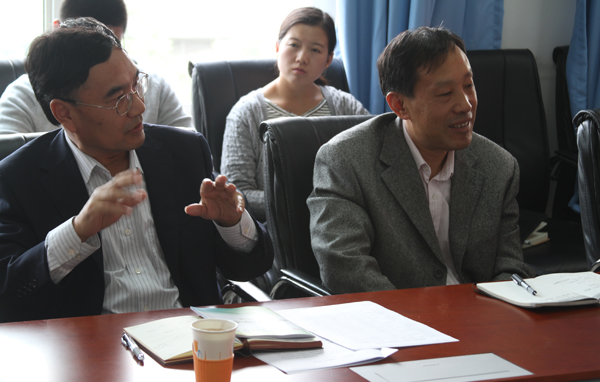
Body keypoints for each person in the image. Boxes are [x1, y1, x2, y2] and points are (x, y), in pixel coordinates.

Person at [0, 18, 273, 323]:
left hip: (190, 337)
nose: (139, 106)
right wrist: (78, 231)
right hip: (94, 344)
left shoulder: (184, 152)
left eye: (137, 84)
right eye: (119, 99)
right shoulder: (18, 178)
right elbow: (8, 294)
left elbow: (251, 268)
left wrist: (231, 222)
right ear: (64, 113)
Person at [307, 26, 534, 294]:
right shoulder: (346, 161)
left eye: (468, 85)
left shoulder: (499, 166)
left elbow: (510, 269)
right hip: (394, 315)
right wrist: (417, 317)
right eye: (445, 93)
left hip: (478, 312)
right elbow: (345, 269)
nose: (466, 105)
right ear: (400, 105)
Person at [221, 7, 370, 222]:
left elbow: (371, 171)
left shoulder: (346, 106)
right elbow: (238, 193)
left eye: (315, 50)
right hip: (274, 230)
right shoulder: (246, 112)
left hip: (341, 224)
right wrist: (310, 205)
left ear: (328, 60)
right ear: (277, 47)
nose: (302, 58)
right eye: (294, 45)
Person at [0, 0, 192, 135]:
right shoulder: (21, 99)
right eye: (84, 50)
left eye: (111, 43)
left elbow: (187, 150)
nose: (139, 108)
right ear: (57, 31)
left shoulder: (154, 86)